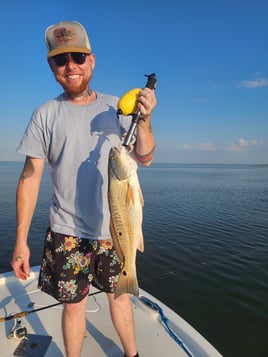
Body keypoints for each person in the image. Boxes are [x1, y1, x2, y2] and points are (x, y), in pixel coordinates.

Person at [10, 21, 156, 357]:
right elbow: (30, 177)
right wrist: (20, 240)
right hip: (66, 232)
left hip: (115, 229)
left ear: (91, 60)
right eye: (61, 60)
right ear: (52, 67)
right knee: (73, 306)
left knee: (120, 297)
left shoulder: (117, 107)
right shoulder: (45, 114)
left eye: (77, 56)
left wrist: (144, 120)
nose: (70, 66)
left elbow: (144, 157)